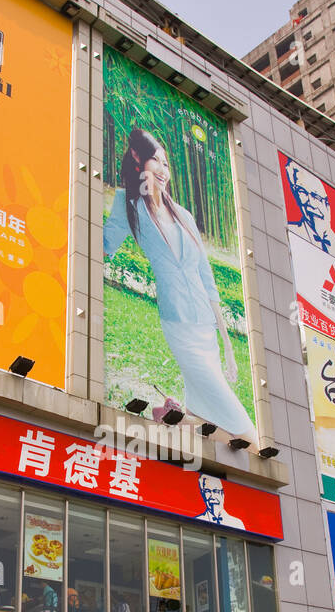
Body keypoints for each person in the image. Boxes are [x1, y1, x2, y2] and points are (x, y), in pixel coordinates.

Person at [104, 127, 258, 445]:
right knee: (246, 433)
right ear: (138, 160)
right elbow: (104, 244)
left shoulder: (185, 216)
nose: (163, 170)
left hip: (205, 326)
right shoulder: (128, 204)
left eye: (166, 163)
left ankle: (173, 415)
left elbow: (207, 278)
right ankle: (184, 418)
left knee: (210, 418)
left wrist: (228, 346)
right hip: (178, 323)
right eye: (155, 161)